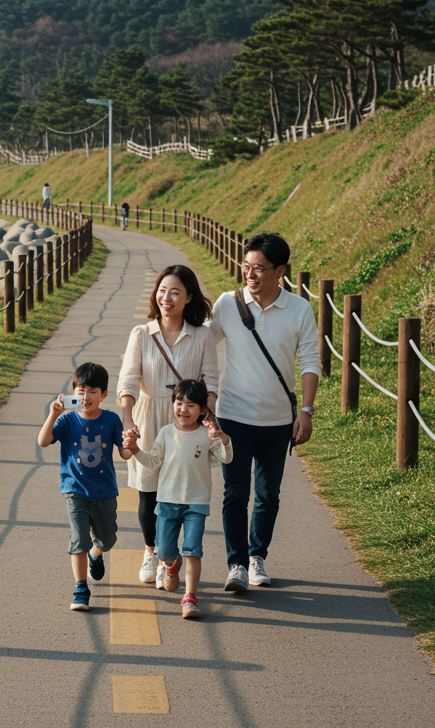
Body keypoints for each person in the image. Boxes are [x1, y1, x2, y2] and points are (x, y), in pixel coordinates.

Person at [209, 232, 321, 592]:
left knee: (268, 494)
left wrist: (306, 411)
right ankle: (237, 564)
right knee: (234, 493)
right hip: (232, 416)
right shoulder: (228, 304)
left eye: (259, 268)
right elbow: (202, 342)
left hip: (277, 420)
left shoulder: (300, 309)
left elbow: (310, 361)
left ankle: (257, 556)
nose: (250, 274)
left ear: (280, 271)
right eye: (246, 266)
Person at [116, 265, 217, 585]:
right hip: (148, 416)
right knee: (148, 492)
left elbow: (211, 382)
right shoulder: (141, 333)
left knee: (179, 491)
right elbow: (128, 381)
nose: (166, 298)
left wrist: (207, 419)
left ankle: (169, 557)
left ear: (189, 297)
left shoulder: (202, 335)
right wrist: (128, 418)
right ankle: (152, 552)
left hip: (186, 420)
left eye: (175, 292)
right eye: (162, 291)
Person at [123, 379, 231, 619]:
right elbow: (153, 461)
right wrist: (136, 450)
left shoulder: (207, 434)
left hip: (196, 504)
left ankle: (190, 598)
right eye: (179, 403)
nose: (183, 409)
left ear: (202, 410)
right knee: (163, 552)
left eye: (190, 405)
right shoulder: (166, 432)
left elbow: (226, 458)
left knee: (193, 551)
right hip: (167, 502)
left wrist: (221, 437)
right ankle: (172, 564)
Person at [37, 362, 132, 611]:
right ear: (73, 393)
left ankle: (95, 554)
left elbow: (124, 453)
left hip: (104, 491)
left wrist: (131, 444)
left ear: (104, 395)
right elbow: (43, 441)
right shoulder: (67, 419)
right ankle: (81, 589)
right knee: (79, 539)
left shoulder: (111, 419)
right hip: (74, 490)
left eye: (92, 391)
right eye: (80, 391)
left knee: (107, 539)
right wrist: (53, 414)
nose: (85, 397)